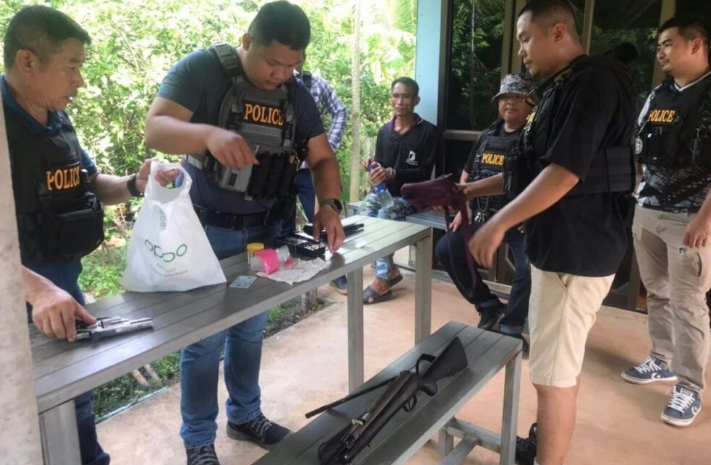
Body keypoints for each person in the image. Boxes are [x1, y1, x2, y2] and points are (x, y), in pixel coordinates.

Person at [143, 2, 345, 464]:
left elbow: (321, 157)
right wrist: (207, 136)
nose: (282, 74)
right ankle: (198, 440)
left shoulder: (295, 94)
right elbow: (156, 128)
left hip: (268, 234)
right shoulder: (203, 69)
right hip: (208, 233)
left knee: (251, 330)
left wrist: (329, 205)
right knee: (204, 340)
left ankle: (246, 415)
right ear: (247, 41)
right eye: (274, 63)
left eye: (293, 65)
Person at [457, 1, 637, 464]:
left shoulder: (592, 84)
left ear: (557, 32)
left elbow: (564, 174)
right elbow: (530, 171)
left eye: (524, 38)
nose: (520, 51)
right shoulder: (560, 89)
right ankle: (545, 445)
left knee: (552, 378)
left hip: (575, 254)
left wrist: (499, 222)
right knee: (556, 367)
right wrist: (470, 190)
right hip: (559, 250)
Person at [3, 6, 178, 465]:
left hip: (64, 294)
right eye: (72, 66)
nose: (80, 80)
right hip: (16, 309)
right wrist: (36, 290)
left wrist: (136, 183)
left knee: (75, 401)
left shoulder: (57, 122)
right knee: (22, 425)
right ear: (27, 61)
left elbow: (91, 184)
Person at [622, 16, 711, 427]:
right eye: (658, 46)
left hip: (691, 217)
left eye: (667, 44)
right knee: (656, 291)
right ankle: (661, 359)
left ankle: (690, 386)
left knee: (688, 304)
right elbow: (639, 144)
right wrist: (637, 184)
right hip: (649, 208)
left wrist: (704, 220)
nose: (660, 52)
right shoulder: (659, 94)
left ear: (696, 45)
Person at [434, 74, 533, 352]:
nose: (510, 102)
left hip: (520, 220)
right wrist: (464, 204)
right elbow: (468, 171)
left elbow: (542, 180)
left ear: (529, 104)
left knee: (528, 269)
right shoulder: (486, 136)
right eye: (505, 97)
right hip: (483, 214)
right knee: (447, 249)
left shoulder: (535, 138)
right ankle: (488, 305)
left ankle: (511, 327)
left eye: (517, 97)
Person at [358, 76, 441, 304]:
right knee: (363, 216)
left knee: (384, 216)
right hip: (385, 192)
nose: (400, 101)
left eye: (406, 96)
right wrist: (374, 167)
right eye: (396, 96)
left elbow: (424, 172)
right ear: (390, 99)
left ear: (416, 100)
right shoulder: (384, 132)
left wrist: (394, 173)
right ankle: (391, 269)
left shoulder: (429, 132)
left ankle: (382, 279)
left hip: (413, 196)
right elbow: (382, 165)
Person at [283, 57, 349, 294]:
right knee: (284, 226)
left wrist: (330, 144)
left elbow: (340, 110)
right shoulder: (271, 84)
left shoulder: (316, 84)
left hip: (310, 172)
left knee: (323, 221)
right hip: (282, 172)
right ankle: (291, 278)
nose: (292, 63)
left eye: (296, 57)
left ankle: (337, 274)